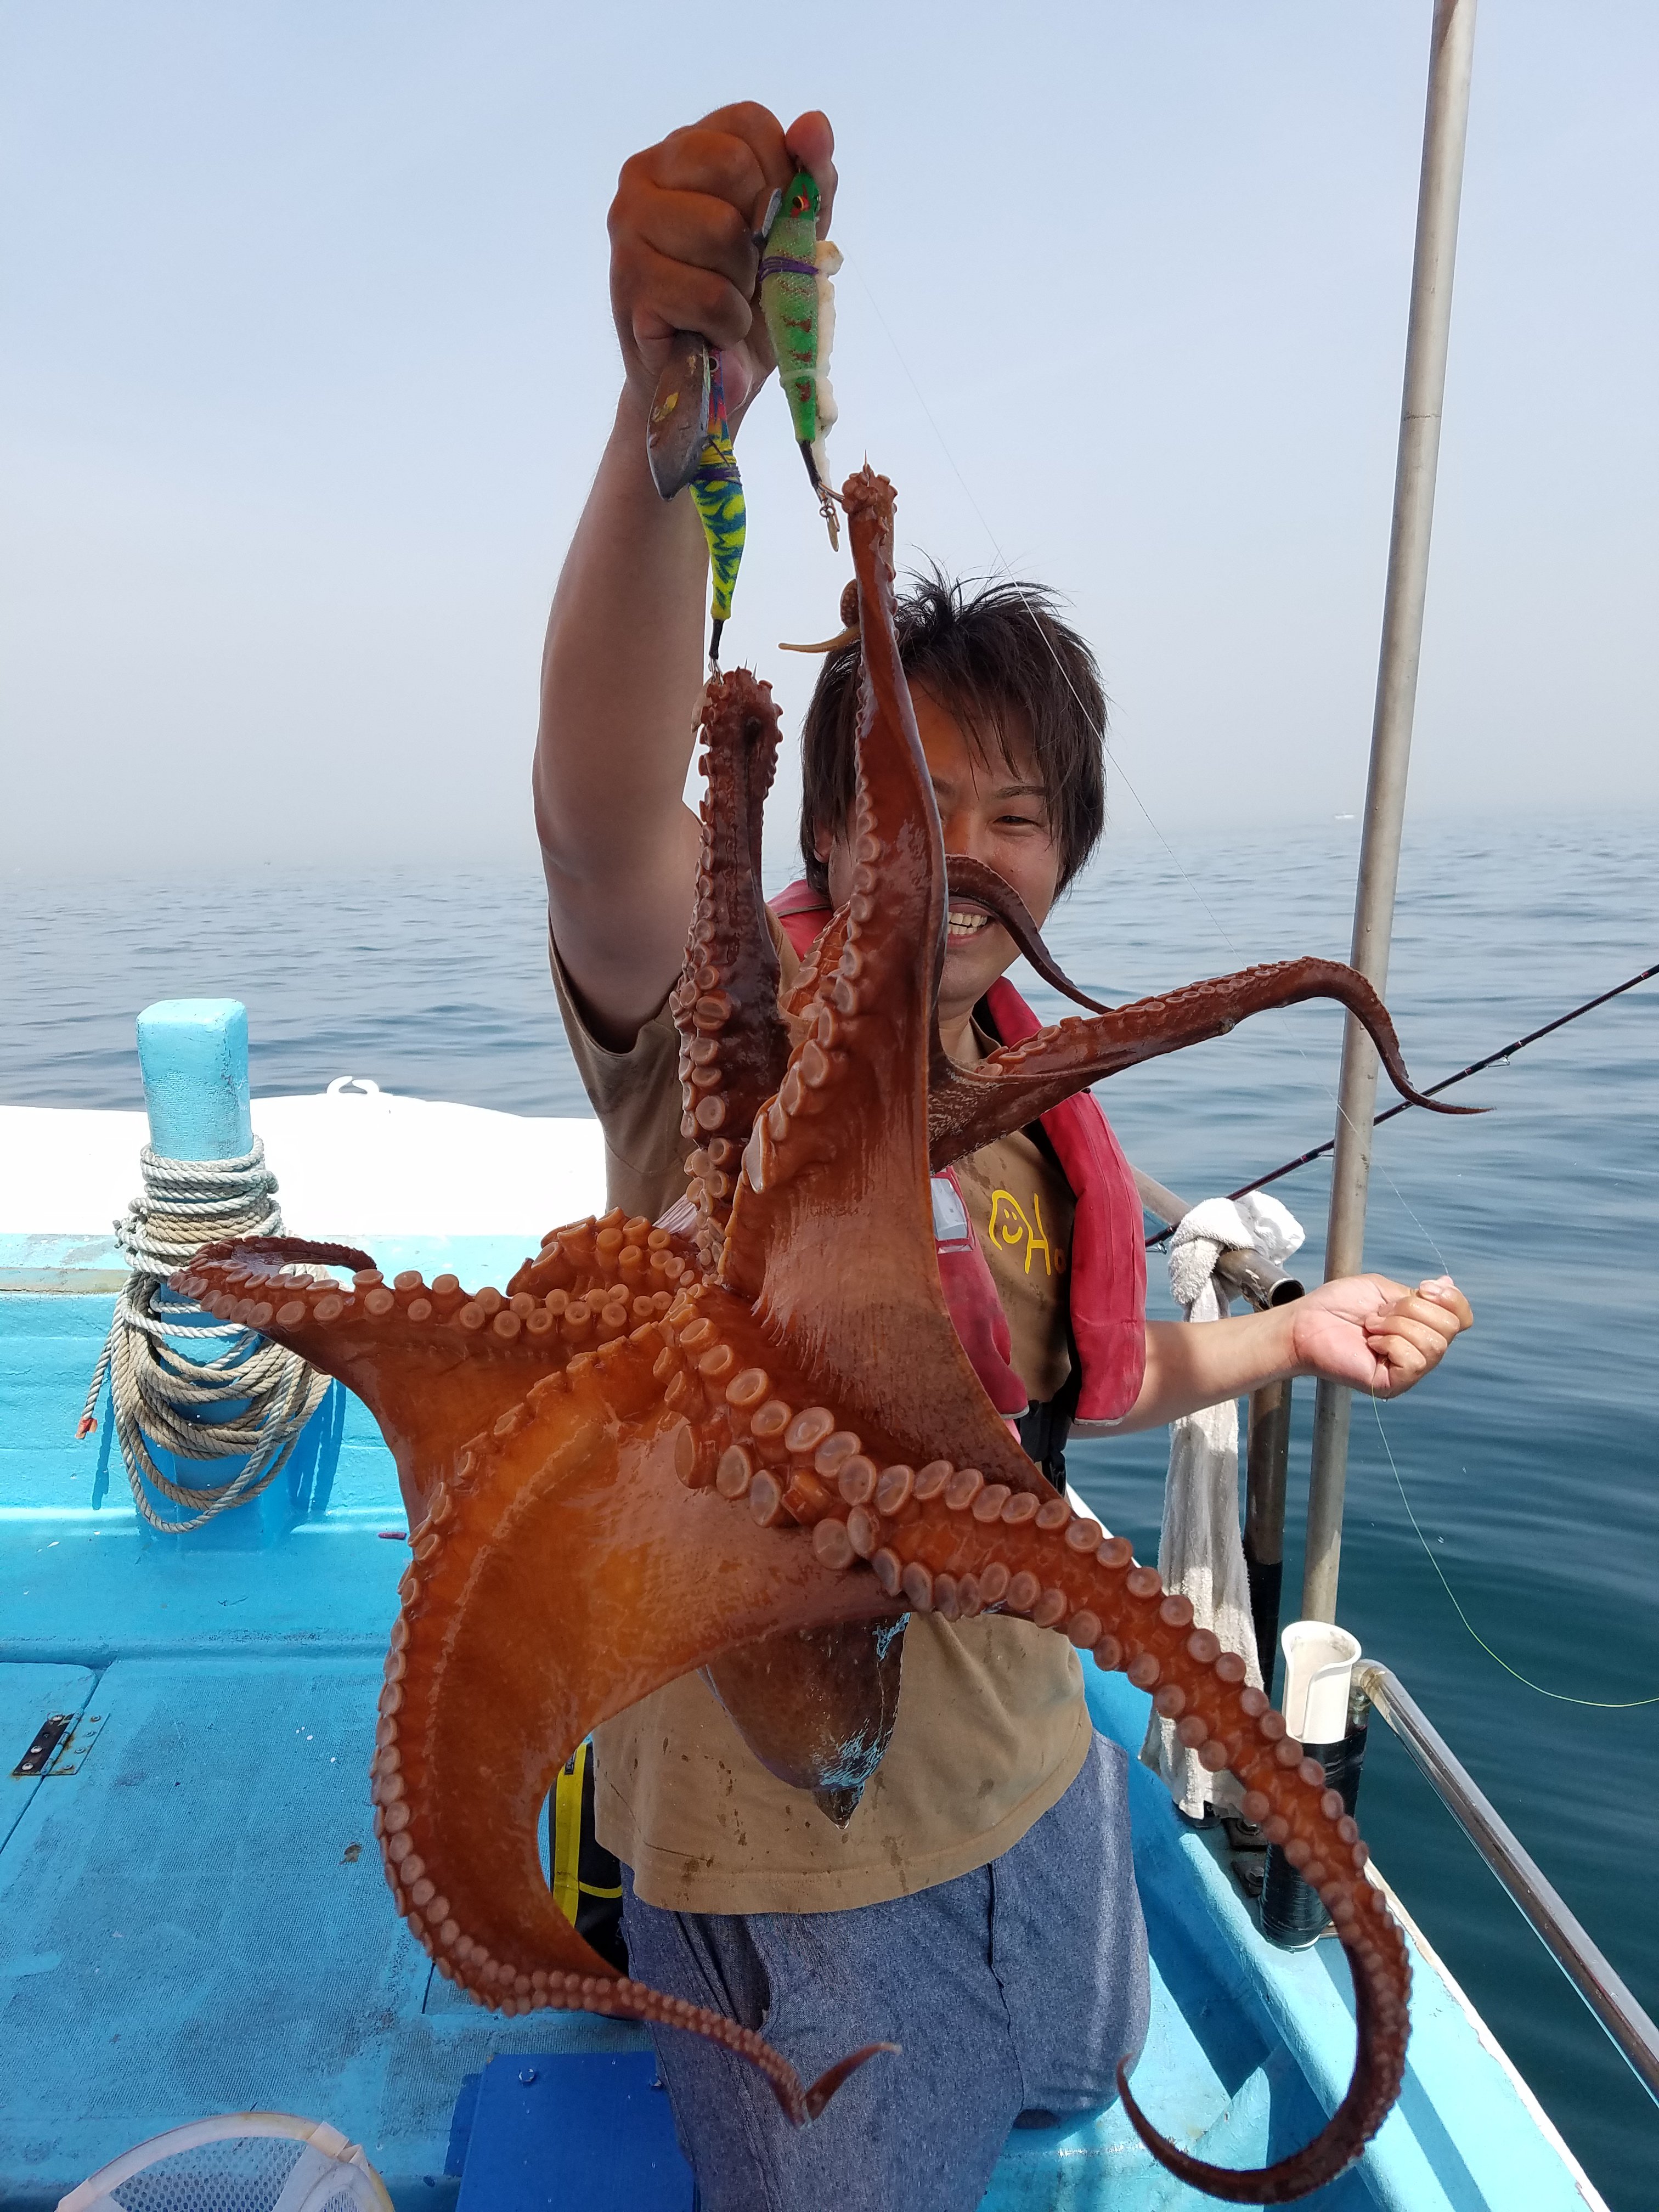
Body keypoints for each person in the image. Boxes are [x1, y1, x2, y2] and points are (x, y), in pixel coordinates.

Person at [534, 101, 1473, 2212]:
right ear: (821, 828)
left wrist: (1299, 1332)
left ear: (1071, 856)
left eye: (1019, 815)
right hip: (788, 1840)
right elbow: (598, 823)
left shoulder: (1036, 1107)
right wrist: (674, 423)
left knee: (1080, 2064)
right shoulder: (722, 1032)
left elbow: (1072, 1391)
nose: (961, 850)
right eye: (909, 793)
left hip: (1036, 1762)